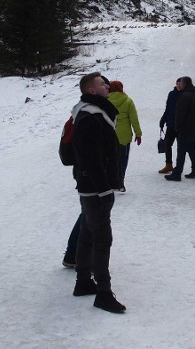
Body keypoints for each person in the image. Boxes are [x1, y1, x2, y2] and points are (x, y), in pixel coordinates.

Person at [69, 72, 126, 313]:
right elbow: (90, 157)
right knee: (102, 237)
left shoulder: (93, 111)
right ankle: (103, 292)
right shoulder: (90, 116)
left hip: (91, 185)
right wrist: (104, 188)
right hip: (94, 187)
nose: (107, 86)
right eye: (103, 84)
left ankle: (83, 281)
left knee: (88, 232)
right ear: (91, 90)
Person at [108, 80, 142, 192]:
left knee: (109, 159)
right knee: (122, 159)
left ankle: (109, 182)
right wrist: (138, 134)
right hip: (124, 136)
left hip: (109, 135)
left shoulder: (105, 100)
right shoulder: (128, 101)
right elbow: (134, 119)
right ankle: (120, 183)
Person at [165, 76, 195, 181]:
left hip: (185, 128)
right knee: (191, 149)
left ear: (184, 84)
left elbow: (180, 114)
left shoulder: (184, 96)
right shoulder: (193, 94)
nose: (178, 85)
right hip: (193, 126)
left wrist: (177, 126)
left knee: (181, 151)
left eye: (180, 83)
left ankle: (177, 173)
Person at [158, 78, 181, 174]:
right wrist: (163, 119)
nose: (179, 85)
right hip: (171, 124)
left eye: (180, 84)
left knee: (182, 147)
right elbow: (168, 108)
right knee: (167, 144)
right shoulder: (171, 94)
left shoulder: (186, 95)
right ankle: (169, 165)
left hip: (181, 126)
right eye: (177, 83)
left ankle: (179, 166)